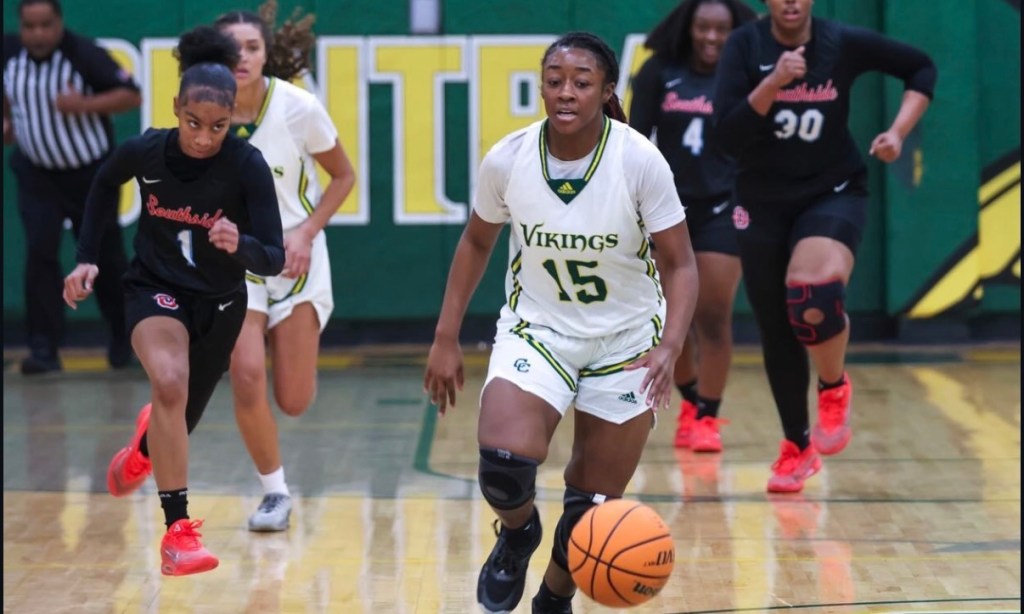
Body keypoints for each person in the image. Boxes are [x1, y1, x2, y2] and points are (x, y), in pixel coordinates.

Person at [423, 31, 699, 614]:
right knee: (503, 466)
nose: (566, 92)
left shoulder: (637, 160)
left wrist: (670, 345)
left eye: (581, 82)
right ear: (542, 87)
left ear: (606, 91)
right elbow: (475, 242)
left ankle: (553, 597)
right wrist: (446, 337)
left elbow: (681, 264)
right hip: (540, 330)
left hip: (626, 341)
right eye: (555, 81)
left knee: (591, 509)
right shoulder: (510, 158)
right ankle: (518, 534)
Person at [62, 25, 285, 576]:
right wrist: (87, 257)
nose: (204, 137)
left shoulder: (247, 165)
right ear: (175, 109)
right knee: (168, 381)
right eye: (193, 123)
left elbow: (274, 257)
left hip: (222, 304)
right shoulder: (146, 151)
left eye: (217, 126)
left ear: (232, 118)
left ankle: (143, 449)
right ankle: (178, 535)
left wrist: (241, 243)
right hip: (154, 288)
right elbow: (102, 183)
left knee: (179, 417)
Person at [712, 0, 936, 492]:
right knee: (777, 329)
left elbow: (921, 67)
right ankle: (797, 446)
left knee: (812, 293)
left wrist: (898, 132)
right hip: (761, 201)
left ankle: (833, 387)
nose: (791, 2)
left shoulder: (840, 42)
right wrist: (773, 83)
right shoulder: (745, 46)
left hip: (832, 190)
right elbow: (726, 137)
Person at [215, 1, 356, 533]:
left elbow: (343, 176)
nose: (242, 57)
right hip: (237, 261)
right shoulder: (205, 111)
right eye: (232, 49)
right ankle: (275, 493)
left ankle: (287, 338)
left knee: (293, 400)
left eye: (252, 47)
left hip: (296, 257)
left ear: (266, 53)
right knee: (246, 373)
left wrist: (307, 232)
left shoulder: (298, 107)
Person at [629, 0, 755, 453]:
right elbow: (634, 139)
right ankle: (690, 400)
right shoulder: (659, 72)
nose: (712, 37)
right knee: (670, 322)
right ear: (688, 27)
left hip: (726, 205)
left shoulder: (747, 74)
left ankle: (707, 416)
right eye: (703, 27)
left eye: (722, 29)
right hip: (668, 210)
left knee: (713, 316)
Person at [3, 0, 138, 375]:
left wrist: (83, 105)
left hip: (90, 176)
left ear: (59, 22)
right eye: (30, 26)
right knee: (40, 254)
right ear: (20, 25)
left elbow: (131, 94)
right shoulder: (9, 53)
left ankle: (122, 340)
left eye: (46, 24)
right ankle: (43, 350)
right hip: (38, 176)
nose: (38, 34)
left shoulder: (84, 54)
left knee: (105, 258)